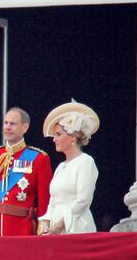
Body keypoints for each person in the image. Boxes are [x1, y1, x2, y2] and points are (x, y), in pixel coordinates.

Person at [0, 107, 52, 237]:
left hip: (21, 230)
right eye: (5, 123)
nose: (7, 127)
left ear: (25, 128)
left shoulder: (39, 158)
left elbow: (44, 200)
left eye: (12, 124)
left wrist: (43, 231)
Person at [38, 101, 100, 235]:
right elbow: (53, 201)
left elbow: (83, 200)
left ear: (72, 137)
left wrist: (59, 225)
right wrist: (46, 225)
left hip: (76, 228)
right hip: (55, 232)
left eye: (58, 134)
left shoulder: (86, 162)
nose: (54, 139)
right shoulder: (60, 167)